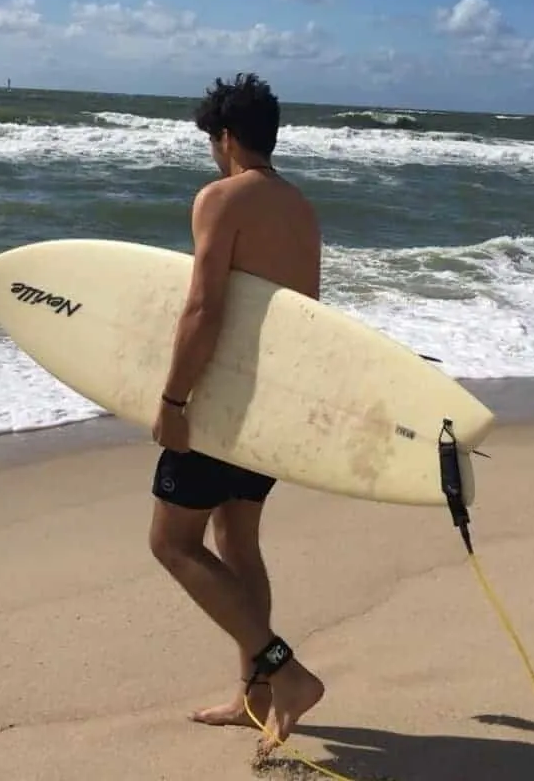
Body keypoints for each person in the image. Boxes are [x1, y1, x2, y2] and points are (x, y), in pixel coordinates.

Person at [149, 72, 324, 756]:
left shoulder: (220, 198)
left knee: (172, 545)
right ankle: (254, 692)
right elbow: (305, 317)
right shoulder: (299, 208)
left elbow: (204, 308)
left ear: (223, 138)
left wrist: (171, 402)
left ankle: (288, 674)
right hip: (275, 401)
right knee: (236, 539)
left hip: (223, 403)